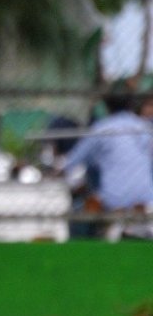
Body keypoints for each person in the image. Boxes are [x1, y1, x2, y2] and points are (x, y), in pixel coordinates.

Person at [58, 82, 153, 240]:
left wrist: (57, 171)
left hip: (113, 199)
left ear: (106, 105)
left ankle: (83, 249)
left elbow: (72, 161)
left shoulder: (101, 129)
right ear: (131, 104)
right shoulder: (144, 128)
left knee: (77, 210)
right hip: (147, 197)